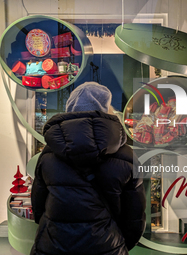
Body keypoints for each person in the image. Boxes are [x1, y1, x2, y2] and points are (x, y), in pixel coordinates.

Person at [30, 82, 146, 255]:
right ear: (106, 110)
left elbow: (38, 207)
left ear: (69, 109)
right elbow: (134, 217)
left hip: (53, 245)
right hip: (106, 246)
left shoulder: (48, 154)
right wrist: (116, 243)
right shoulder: (126, 155)